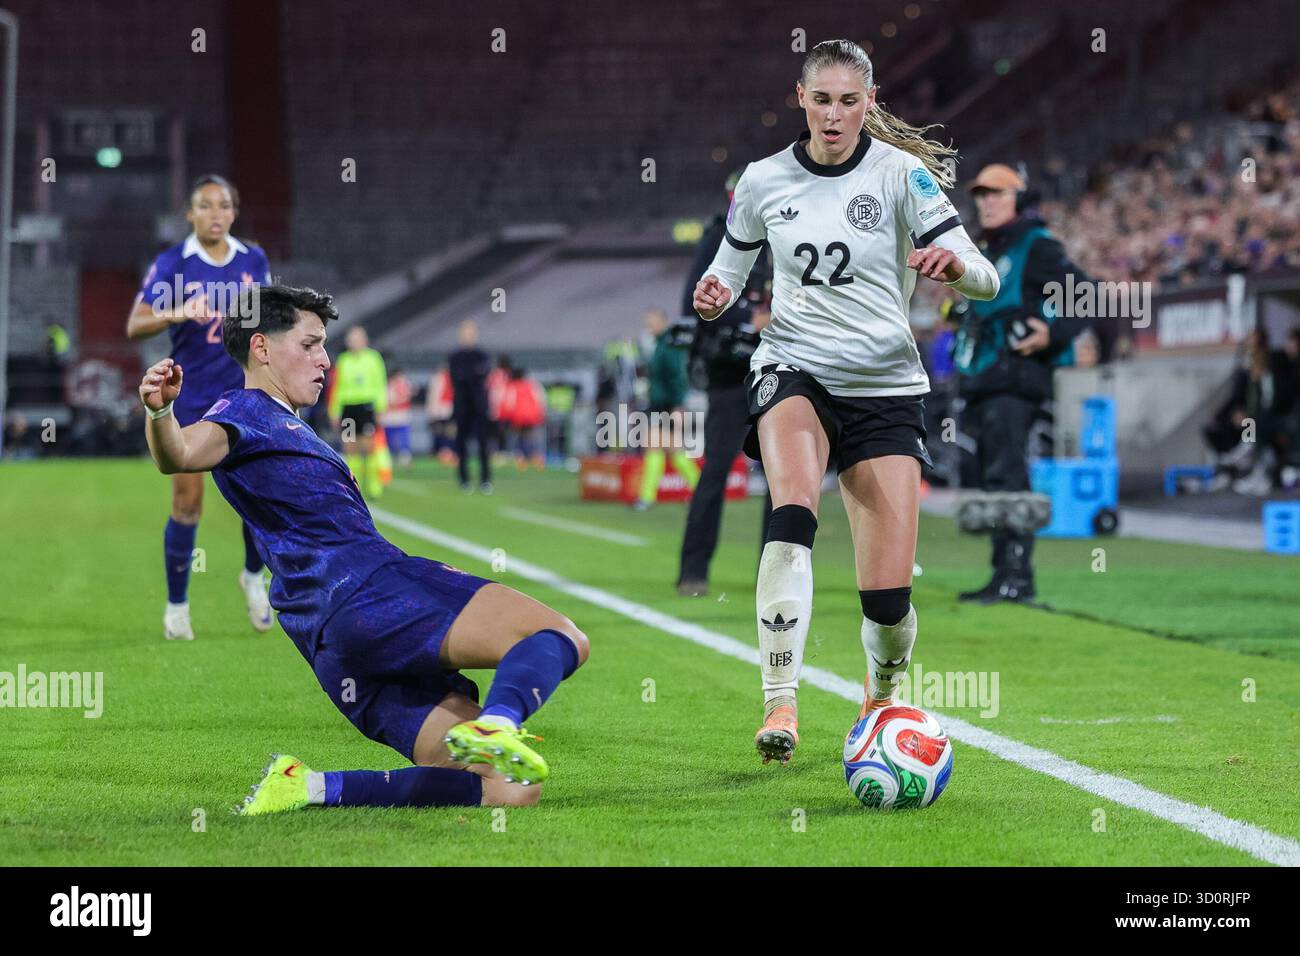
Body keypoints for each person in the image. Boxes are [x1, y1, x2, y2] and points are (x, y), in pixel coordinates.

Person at [137, 285, 589, 813]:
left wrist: (162, 418)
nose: (325, 359)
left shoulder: (279, 423)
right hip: (371, 593)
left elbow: (187, 454)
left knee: (510, 791)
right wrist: (161, 414)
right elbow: (181, 454)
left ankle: (307, 786)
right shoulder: (245, 410)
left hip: (332, 646)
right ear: (261, 349)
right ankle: (501, 722)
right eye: (309, 345)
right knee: (559, 635)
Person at [694, 39, 999, 764]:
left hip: (885, 385)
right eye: (822, 98)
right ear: (801, 99)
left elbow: (984, 275)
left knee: (886, 600)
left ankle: (881, 699)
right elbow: (727, 273)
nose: (834, 114)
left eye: (849, 100)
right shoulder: (762, 180)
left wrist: (956, 267)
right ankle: (781, 701)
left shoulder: (903, 176)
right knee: (792, 507)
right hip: (795, 365)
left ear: (870, 102)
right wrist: (715, 296)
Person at [125, 174, 273, 641]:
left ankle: (254, 575)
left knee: (260, 500)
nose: (215, 213)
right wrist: (177, 312)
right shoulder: (174, 262)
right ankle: (177, 606)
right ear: (191, 213)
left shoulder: (253, 260)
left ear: (233, 211)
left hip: (244, 396)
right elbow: (135, 324)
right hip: (190, 396)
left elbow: (266, 322)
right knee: (188, 504)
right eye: (206, 206)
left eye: (224, 205)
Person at [950, 163, 1092, 603]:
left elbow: (1083, 292)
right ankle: (1002, 574)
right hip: (987, 384)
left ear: (1019, 200)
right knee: (993, 479)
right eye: (982, 195)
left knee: (1009, 476)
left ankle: (1018, 577)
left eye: (998, 194)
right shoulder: (990, 252)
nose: (987, 202)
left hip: (1015, 384)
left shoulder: (1036, 245)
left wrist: (1054, 333)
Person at [678, 170, 773, 596]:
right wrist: (749, 318)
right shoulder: (718, 235)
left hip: (778, 367)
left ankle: (774, 577)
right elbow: (693, 301)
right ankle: (693, 571)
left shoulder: (781, 232)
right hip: (731, 371)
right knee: (716, 469)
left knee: (782, 478)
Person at [634, 309, 700, 511]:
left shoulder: (668, 345)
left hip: (667, 405)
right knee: (667, 449)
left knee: (659, 447)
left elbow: (677, 376)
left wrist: (677, 405)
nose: (649, 327)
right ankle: (699, 492)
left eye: (652, 322)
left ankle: (648, 497)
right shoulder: (661, 344)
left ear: (663, 322)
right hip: (661, 404)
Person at [328, 325, 388, 498]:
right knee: (350, 447)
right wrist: (335, 410)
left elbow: (380, 384)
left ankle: (374, 485)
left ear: (365, 340)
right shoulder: (343, 361)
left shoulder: (373, 358)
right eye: (352, 339)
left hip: (367, 406)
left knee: (369, 446)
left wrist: (380, 408)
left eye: (358, 338)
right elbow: (337, 387)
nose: (355, 342)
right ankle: (356, 486)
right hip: (348, 408)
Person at [448, 321, 493, 493]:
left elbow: (482, 374)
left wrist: (468, 376)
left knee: (483, 443)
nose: (467, 336)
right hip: (461, 405)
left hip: (479, 406)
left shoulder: (482, 355)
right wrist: (472, 375)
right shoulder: (455, 357)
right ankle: (464, 479)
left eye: (470, 333)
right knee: (462, 444)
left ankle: (485, 479)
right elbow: (456, 377)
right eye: (465, 333)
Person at [383, 362, 414, 468]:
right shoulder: (404, 383)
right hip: (399, 413)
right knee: (401, 436)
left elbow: (389, 399)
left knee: (392, 436)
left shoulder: (391, 383)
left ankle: (395, 456)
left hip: (392, 414)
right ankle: (403, 456)